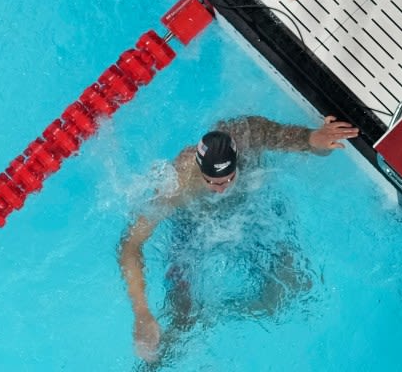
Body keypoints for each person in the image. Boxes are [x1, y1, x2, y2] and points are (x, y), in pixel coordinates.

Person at [119, 115, 358, 362]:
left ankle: (214, 314)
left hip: (250, 216)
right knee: (183, 319)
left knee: (284, 294)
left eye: (227, 180)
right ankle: (154, 366)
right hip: (195, 229)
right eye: (211, 182)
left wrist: (317, 140)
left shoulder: (249, 134)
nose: (220, 189)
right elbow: (130, 244)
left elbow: (306, 142)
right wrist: (141, 311)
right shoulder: (178, 183)